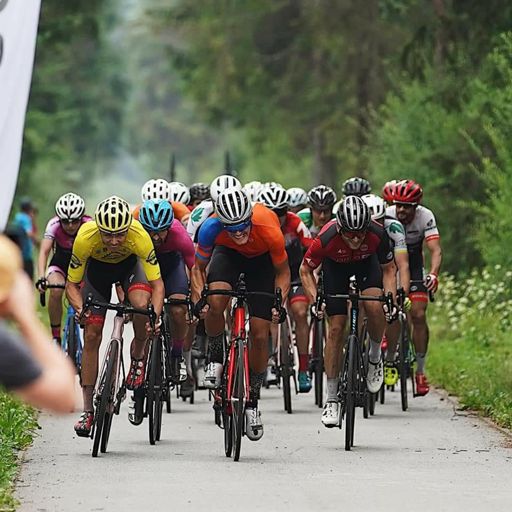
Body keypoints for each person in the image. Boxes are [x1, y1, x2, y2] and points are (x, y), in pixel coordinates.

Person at [191, 188, 290, 441]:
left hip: (262, 263)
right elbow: (198, 269)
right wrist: (199, 298)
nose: (238, 233)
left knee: (259, 334)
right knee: (215, 301)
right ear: (221, 222)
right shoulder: (210, 228)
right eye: (231, 228)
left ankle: (253, 400)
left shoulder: (268, 227)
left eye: (242, 226)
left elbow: (282, 272)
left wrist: (278, 303)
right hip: (228, 257)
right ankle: (216, 356)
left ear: (250, 218)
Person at [66, 196, 165, 437]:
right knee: (91, 335)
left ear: (128, 229)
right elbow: (72, 285)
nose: (113, 241)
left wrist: (155, 317)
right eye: (107, 235)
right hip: (97, 274)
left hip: (129, 269)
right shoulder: (85, 237)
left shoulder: (139, 236)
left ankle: (138, 358)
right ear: (98, 229)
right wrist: (80, 309)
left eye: (120, 235)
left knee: (141, 306)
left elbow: (158, 285)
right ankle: (88, 411)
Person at [300, 196, 398, 427]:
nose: (355, 238)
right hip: (335, 269)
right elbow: (305, 270)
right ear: (340, 228)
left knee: (374, 306)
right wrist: (315, 300)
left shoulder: (378, 233)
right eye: (350, 234)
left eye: (360, 233)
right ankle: (332, 398)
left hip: (367, 266)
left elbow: (389, 269)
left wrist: (390, 298)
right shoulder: (326, 236)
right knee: (335, 330)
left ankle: (374, 357)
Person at [0, 234, 76, 412]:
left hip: (78, 268)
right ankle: (56, 336)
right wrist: (25, 316)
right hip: (60, 267)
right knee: (56, 293)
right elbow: (63, 397)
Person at [386, 179, 442, 396]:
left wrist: (434, 274)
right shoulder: (387, 215)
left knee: (418, 315)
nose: (401, 210)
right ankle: (390, 359)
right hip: (391, 265)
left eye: (407, 206)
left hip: (415, 265)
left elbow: (435, 250)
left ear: (416, 206)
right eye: (398, 205)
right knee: (391, 312)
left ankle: (420, 371)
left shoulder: (425, 216)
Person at [258, 185, 313, 392]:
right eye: (272, 212)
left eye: (281, 212)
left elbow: (312, 249)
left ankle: (303, 369)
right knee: (273, 314)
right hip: (271, 274)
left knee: (300, 313)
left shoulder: (295, 222)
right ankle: (274, 358)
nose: (277, 217)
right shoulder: (257, 224)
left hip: (295, 273)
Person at [362, 193, 411, 386]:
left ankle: (390, 358)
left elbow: (402, 265)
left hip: (389, 267)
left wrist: (402, 292)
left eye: (380, 221)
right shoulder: (357, 230)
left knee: (393, 311)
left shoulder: (394, 227)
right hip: (367, 267)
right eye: (372, 222)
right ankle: (355, 348)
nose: (377, 226)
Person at [36, 193, 91, 345]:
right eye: (65, 222)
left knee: (89, 296)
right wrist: (41, 277)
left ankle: (89, 337)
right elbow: (44, 252)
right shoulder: (53, 225)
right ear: (59, 219)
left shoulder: (89, 225)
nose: (70, 226)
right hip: (60, 264)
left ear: (81, 217)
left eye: (75, 221)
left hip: (83, 267)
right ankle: (56, 337)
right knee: (55, 290)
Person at [12, 197, 39, 278]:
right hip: (25, 253)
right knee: (28, 276)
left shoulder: (17, 217)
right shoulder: (26, 218)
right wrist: (37, 241)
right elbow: (28, 232)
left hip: (17, 251)